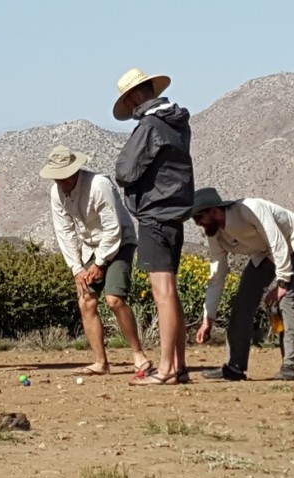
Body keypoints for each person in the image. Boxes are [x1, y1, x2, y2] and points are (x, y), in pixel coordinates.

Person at [39, 145, 153, 377]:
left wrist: (100, 263)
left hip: (119, 242)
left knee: (113, 299)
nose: (60, 181)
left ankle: (139, 356)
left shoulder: (99, 185)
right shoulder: (56, 193)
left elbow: (113, 228)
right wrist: (77, 268)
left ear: (74, 171)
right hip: (89, 247)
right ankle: (101, 362)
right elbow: (65, 231)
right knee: (86, 301)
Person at [112, 68, 195, 386]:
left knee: (163, 293)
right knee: (171, 294)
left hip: (153, 215)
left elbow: (126, 171)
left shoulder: (148, 126)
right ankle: (179, 365)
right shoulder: (178, 123)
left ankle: (164, 370)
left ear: (133, 96)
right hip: (175, 214)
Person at [191, 187, 294, 381]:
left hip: (292, 243)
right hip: (264, 253)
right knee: (242, 303)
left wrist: (282, 283)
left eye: (199, 218)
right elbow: (217, 275)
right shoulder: (214, 234)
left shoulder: (251, 209)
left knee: (286, 301)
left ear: (214, 211)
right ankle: (235, 367)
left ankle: (292, 365)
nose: (198, 224)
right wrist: (208, 318)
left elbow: (277, 241)